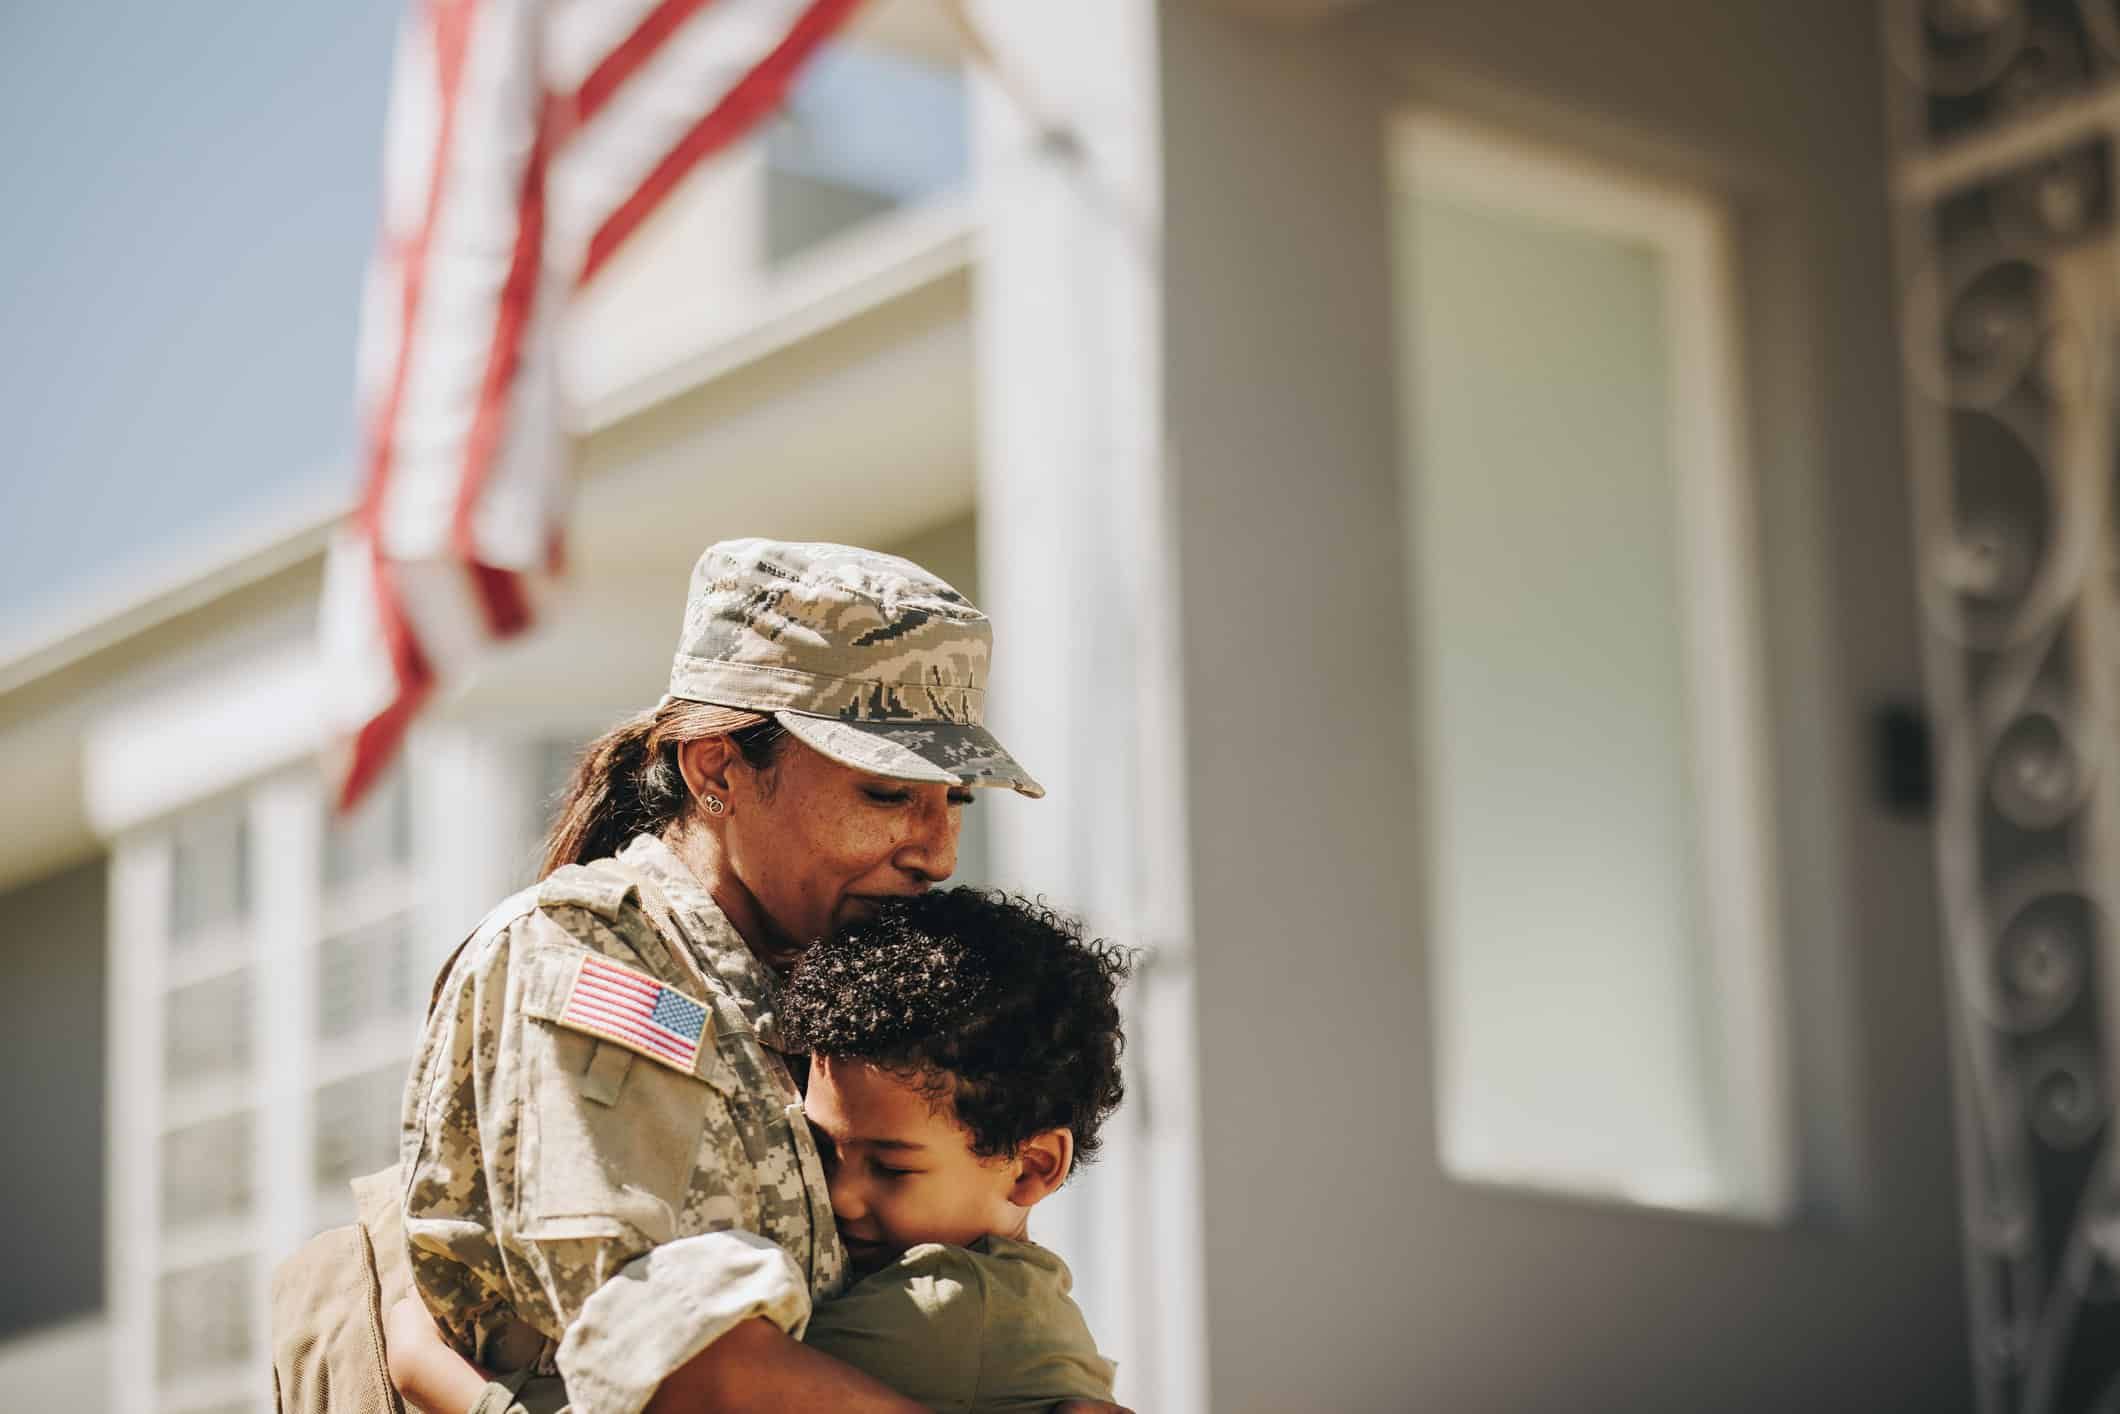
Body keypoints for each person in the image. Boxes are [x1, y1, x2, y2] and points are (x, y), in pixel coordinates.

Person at [396, 538, 1060, 1414]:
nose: (936, 853)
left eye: (955, 802)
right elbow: (689, 1371)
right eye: (888, 794)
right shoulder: (587, 959)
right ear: (717, 768)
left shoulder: (839, 980)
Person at [390, 887, 1132, 1414]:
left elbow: (693, 1385)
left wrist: (450, 1380)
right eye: (823, 1151)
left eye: (891, 1166)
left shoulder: (943, 1313)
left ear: (1034, 1166)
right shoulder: (1006, 1298)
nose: (841, 1196)